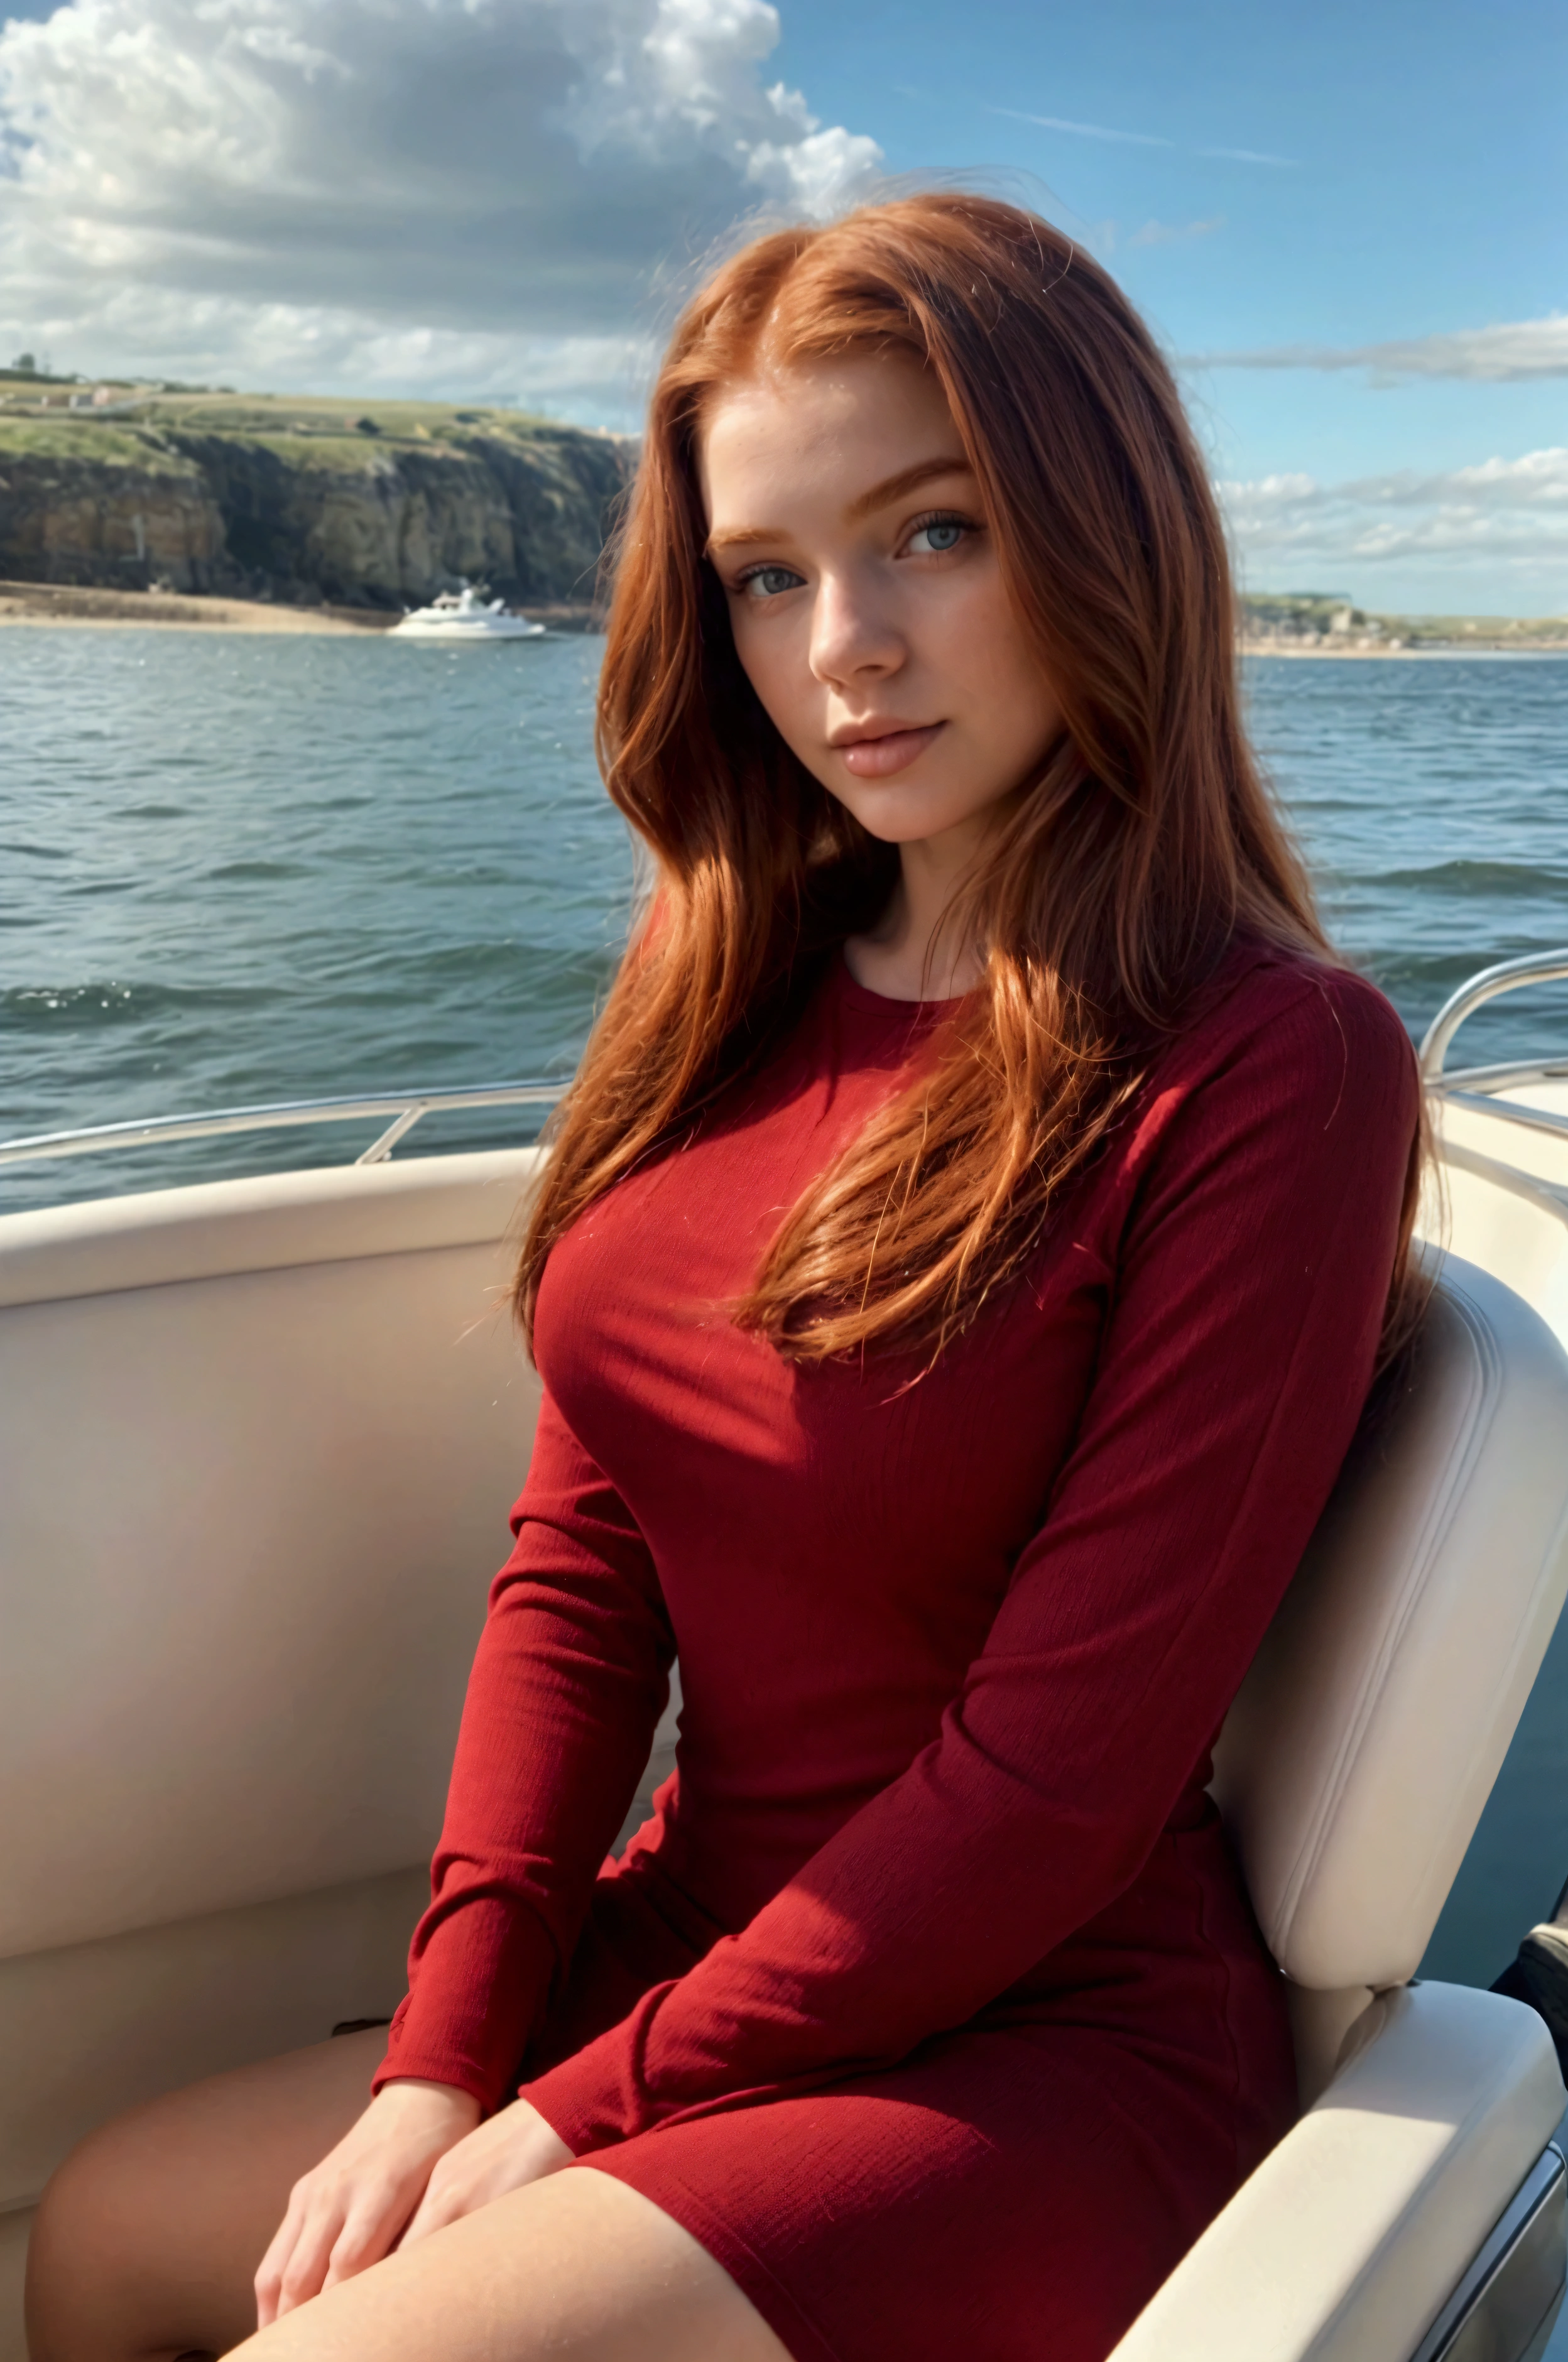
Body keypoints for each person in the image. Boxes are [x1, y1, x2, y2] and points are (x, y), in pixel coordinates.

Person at [26, 192, 1422, 2362]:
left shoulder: (1271, 1068)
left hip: (1036, 2033)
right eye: (768, 576)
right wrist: (438, 2053)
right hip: (702, 1937)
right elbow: (578, 1569)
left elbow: (1055, 1792)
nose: (841, 642)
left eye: (933, 532)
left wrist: (583, 2116)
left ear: (1106, 523)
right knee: (106, 2237)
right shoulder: (711, 967)